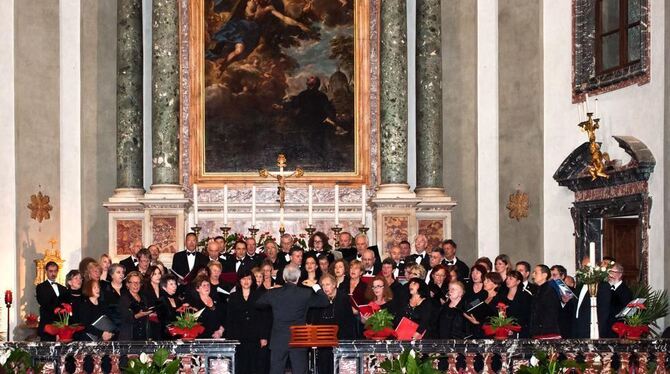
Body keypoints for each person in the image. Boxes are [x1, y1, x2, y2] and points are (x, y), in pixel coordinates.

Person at [256, 264, 329, 374]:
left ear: (284, 278)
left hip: (279, 340)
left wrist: (271, 290)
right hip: (298, 339)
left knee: (276, 371)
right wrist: (315, 285)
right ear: (298, 278)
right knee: (300, 371)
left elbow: (258, 303)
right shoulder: (305, 293)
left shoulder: (274, 293)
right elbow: (325, 301)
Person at [309, 273, 357, 374]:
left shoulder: (343, 298)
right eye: (323, 285)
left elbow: (349, 321)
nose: (325, 288)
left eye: (328, 284)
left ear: (334, 284)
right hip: (323, 341)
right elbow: (315, 320)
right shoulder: (319, 299)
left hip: (340, 340)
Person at [226, 270, 263, 374]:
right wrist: (230, 338)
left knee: (254, 365)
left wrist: (263, 336)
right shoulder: (233, 296)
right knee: (240, 365)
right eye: (243, 278)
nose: (246, 281)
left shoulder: (260, 295)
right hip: (238, 336)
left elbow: (264, 318)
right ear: (239, 281)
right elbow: (229, 318)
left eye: (249, 278)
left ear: (253, 281)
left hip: (255, 337)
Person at [36, 261, 68, 341]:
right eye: (51, 271)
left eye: (55, 271)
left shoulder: (63, 288)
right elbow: (43, 302)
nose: (53, 273)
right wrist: (58, 309)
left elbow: (66, 303)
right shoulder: (41, 287)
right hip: (48, 324)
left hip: (61, 325)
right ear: (46, 272)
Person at [529, 265, 562, 339]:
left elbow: (551, 313)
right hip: (538, 332)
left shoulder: (550, 291)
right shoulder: (537, 290)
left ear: (544, 275)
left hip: (547, 333)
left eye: (535, 273)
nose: (533, 275)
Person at [117, 271, 152, 340]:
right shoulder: (124, 298)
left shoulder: (143, 298)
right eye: (133, 282)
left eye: (138, 282)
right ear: (127, 284)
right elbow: (124, 319)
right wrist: (137, 315)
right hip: (129, 337)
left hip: (143, 336)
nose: (136, 285)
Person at [502, 270, 532, 337]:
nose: (507, 280)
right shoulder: (502, 295)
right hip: (504, 330)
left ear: (518, 282)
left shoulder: (525, 296)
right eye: (507, 278)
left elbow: (526, 315)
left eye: (511, 278)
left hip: (520, 331)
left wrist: (513, 327)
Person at [606, 262, 632, 337]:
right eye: (609, 272)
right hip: (606, 327)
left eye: (612, 272)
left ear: (620, 274)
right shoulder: (607, 288)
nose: (609, 275)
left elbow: (625, 312)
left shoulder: (625, 291)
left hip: (617, 328)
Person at [156, 274, 183, 339]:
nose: (175, 286)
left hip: (178, 333)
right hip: (166, 335)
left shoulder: (178, 300)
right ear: (164, 287)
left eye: (175, 284)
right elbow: (162, 320)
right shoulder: (160, 301)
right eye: (171, 284)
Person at [141, 265, 163, 340]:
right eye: (155, 274)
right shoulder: (145, 288)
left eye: (159, 273)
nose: (158, 276)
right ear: (150, 275)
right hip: (150, 321)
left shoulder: (162, 288)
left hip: (161, 320)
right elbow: (143, 304)